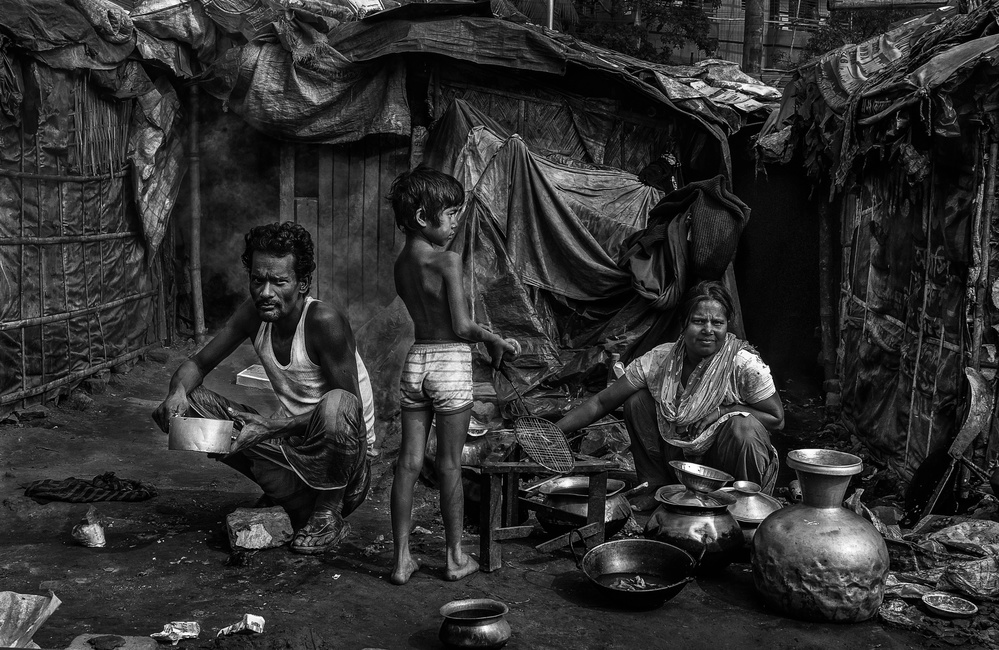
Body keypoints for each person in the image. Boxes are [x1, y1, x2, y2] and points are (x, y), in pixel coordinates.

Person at [152, 221, 371, 555]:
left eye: (279, 281)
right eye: (258, 280)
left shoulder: (324, 321)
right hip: (289, 449)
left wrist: (269, 427)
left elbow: (348, 408)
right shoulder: (253, 314)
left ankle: (326, 514)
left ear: (302, 283)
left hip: (343, 473)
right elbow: (197, 365)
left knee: (337, 403)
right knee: (190, 403)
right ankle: (287, 494)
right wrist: (176, 393)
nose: (266, 291)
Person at [387, 166, 518, 585]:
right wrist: (493, 338)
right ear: (424, 217)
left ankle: (402, 560)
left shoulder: (401, 265)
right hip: (450, 364)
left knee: (407, 464)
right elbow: (462, 328)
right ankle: (454, 557)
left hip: (416, 361)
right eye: (452, 213)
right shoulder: (447, 260)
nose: (457, 221)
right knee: (448, 465)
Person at [556, 280, 784, 511]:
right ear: (683, 324)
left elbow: (777, 419)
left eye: (717, 322)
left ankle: (742, 504)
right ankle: (656, 488)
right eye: (698, 321)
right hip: (681, 460)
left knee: (743, 426)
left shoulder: (744, 365)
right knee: (637, 402)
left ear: (727, 326)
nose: (708, 330)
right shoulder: (659, 360)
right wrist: (551, 433)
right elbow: (602, 401)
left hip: (726, 464)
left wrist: (723, 411)